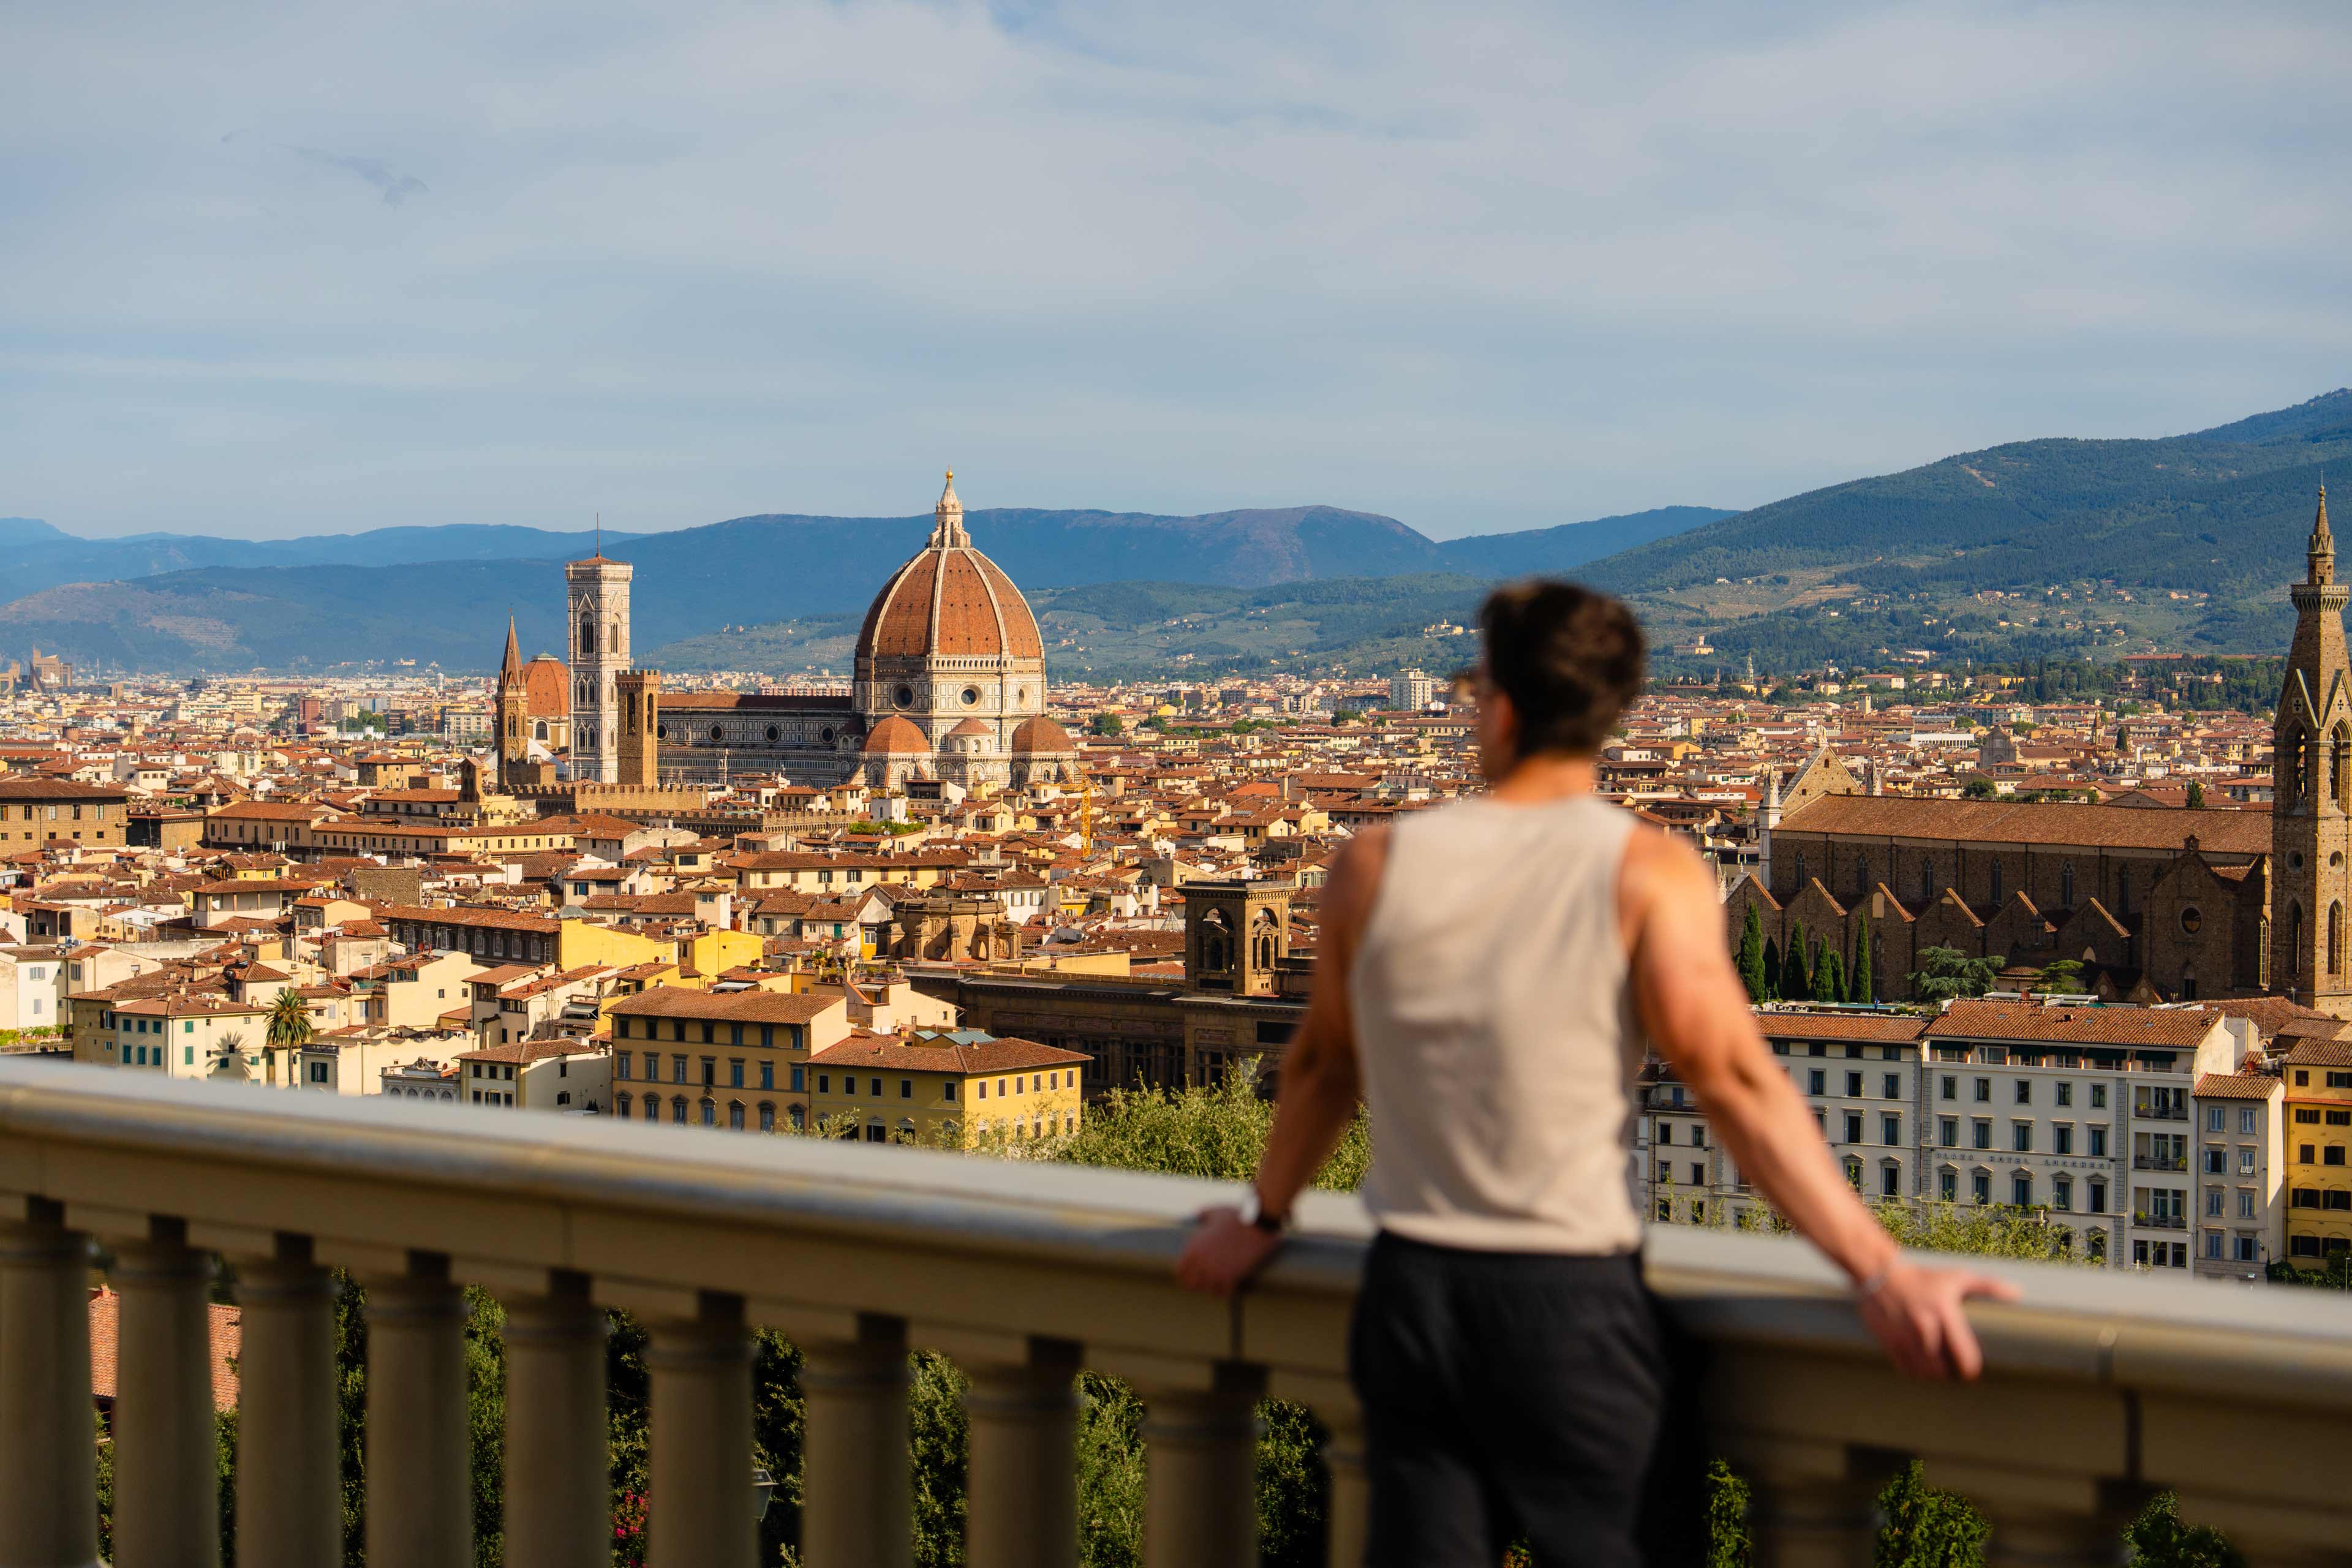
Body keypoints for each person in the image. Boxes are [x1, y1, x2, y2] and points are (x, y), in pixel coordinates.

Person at [1175, 579, 2019, 1566]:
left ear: (1495, 703)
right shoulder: (1649, 870)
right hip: (1569, 1302)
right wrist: (1876, 1268)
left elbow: (1321, 1068)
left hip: (1414, 1301)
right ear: (1611, 714)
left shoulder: (1377, 864)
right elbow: (1733, 1083)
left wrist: (1264, 1218)